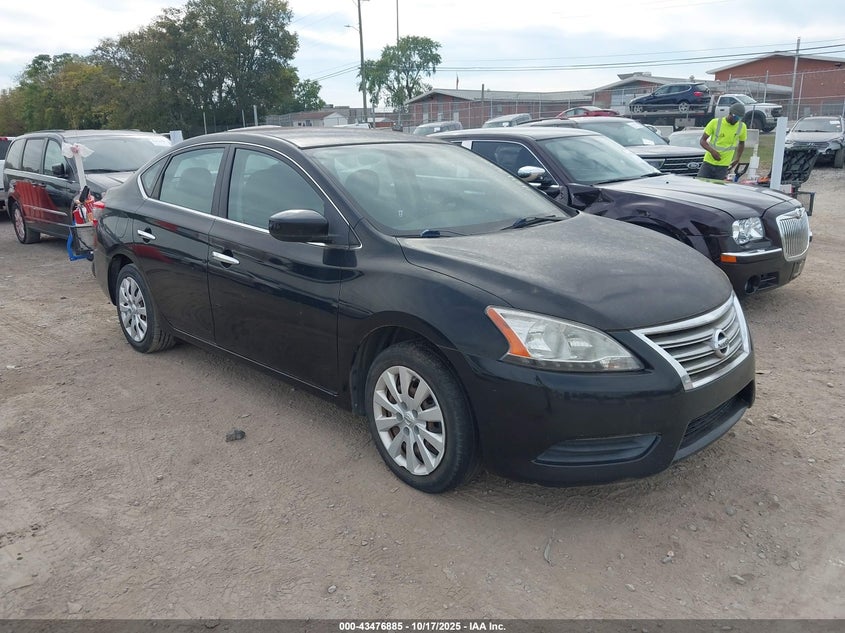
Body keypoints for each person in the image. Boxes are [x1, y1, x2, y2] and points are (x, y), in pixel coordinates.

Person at [697, 102, 748, 180]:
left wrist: (737, 158)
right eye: (736, 117)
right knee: (700, 184)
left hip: (724, 165)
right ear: (730, 113)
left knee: (718, 188)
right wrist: (712, 151)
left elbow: (741, 143)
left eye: (739, 118)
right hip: (708, 162)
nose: (737, 120)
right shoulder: (715, 123)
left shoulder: (742, 127)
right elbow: (702, 141)